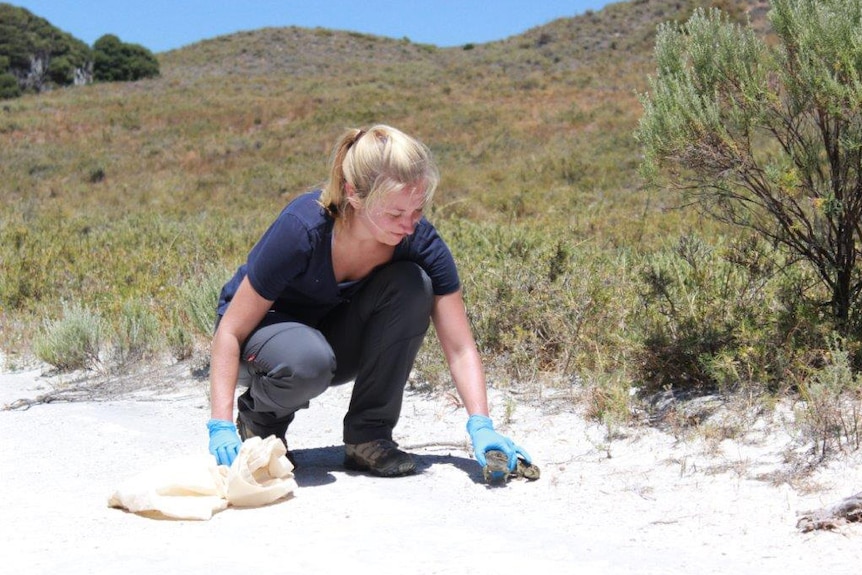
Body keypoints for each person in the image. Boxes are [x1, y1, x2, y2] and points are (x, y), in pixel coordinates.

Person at [206, 124, 531, 478]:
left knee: (412, 284)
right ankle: (260, 424)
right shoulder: (302, 230)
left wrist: (481, 424)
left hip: (327, 343)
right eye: (395, 214)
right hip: (262, 342)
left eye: (417, 211)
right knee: (307, 360)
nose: (409, 226)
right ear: (354, 195)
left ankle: (368, 437)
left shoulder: (419, 241)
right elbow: (230, 331)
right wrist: (219, 423)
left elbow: (460, 347)